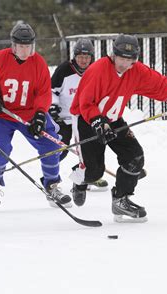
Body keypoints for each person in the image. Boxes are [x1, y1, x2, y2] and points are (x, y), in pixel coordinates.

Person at [69, 34, 167, 221]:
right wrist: (97, 122)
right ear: (113, 55)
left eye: (129, 60)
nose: (124, 64)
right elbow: (85, 103)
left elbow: (159, 83)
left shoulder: (136, 71)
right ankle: (79, 180)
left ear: (135, 59)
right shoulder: (98, 70)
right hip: (87, 120)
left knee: (134, 157)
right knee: (94, 172)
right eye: (121, 59)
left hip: (113, 119)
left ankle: (120, 200)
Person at [0, 22, 71, 210]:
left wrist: (40, 114)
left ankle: (52, 184)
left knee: (52, 144)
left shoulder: (39, 63)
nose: (24, 50)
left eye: (28, 46)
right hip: (1, 114)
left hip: (30, 113)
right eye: (21, 46)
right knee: (1, 147)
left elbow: (44, 92)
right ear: (13, 45)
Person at [49, 38, 109, 191]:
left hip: (85, 119)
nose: (83, 60)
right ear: (74, 56)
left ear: (92, 58)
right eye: (80, 57)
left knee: (92, 148)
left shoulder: (96, 71)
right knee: (60, 151)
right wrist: (52, 105)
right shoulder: (64, 70)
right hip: (64, 119)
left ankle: (88, 176)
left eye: (87, 57)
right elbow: (51, 90)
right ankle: (50, 177)